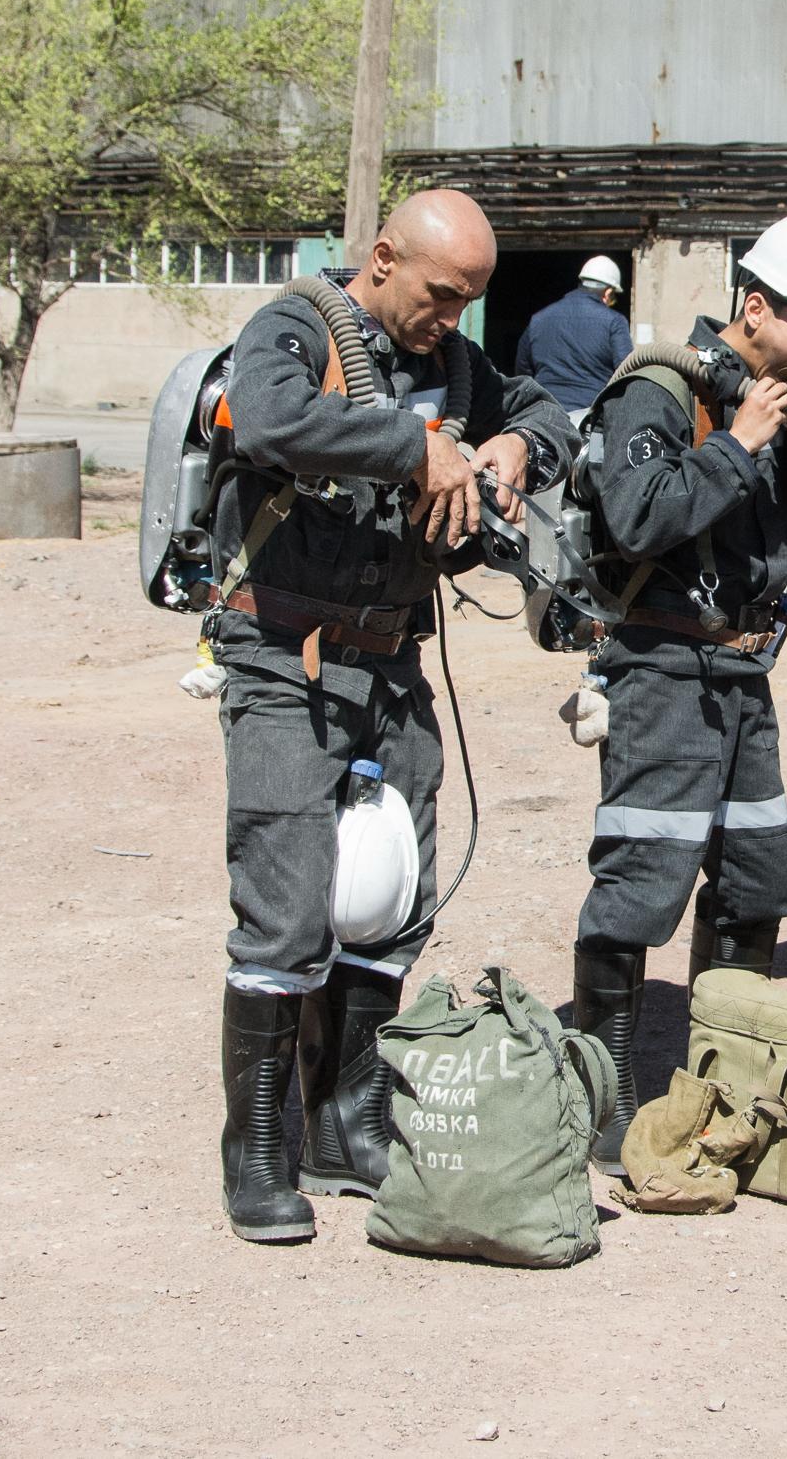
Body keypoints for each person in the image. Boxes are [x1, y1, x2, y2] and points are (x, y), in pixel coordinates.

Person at [205, 189, 576, 1243]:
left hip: (393, 656)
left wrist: (515, 452)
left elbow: (540, 409)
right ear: (381, 258)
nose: (450, 319)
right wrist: (414, 448)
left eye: (469, 302)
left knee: (390, 899)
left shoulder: (458, 364)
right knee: (286, 905)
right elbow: (270, 418)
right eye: (439, 294)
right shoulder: (296, 326)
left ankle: (347, 1122)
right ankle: (262, 1149)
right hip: (286, 652)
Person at [567, 211, 787, 1175]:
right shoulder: (659, 391)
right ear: (753, 307)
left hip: (741, 673)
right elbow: (641, 516)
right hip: (662, 671)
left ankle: (716, 1087)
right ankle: (605, 1102)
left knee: (758, 880)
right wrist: (739, 443)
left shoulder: (782, 397)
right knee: (640, 885)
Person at [517, 254, 632, 411]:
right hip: (591, 417)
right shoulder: (615, 322)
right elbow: (627, 372)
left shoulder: (539, 319)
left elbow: (523, 371)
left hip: (544, 413)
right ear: (607, 293)